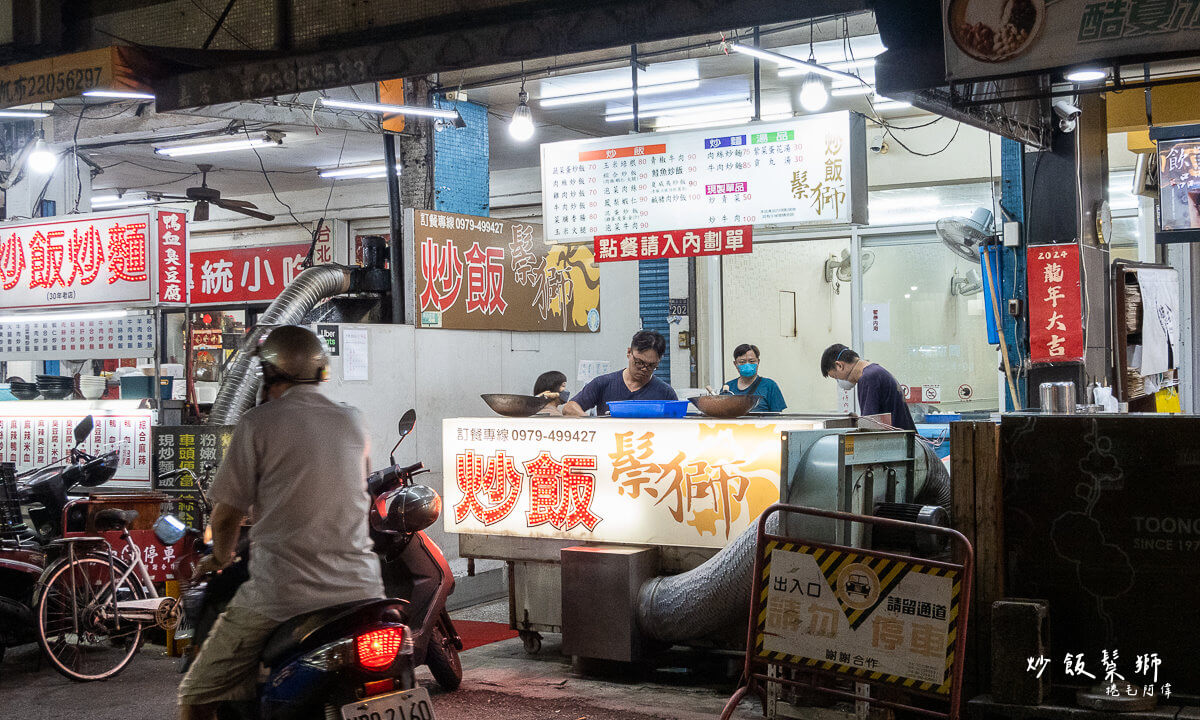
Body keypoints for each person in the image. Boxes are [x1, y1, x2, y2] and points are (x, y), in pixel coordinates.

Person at [178, 326, 384, 720]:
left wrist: (219, 558)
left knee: (196, 695)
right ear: (320, 371)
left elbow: (226, 514)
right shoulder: (353, 421)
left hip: (285, 594)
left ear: (270, 374)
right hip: (363, 589)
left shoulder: (259, 423)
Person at [563, 330, 677, 416]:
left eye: (651, 365)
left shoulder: (665, 393)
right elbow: (569, 408)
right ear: (629, 353)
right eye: (639, 362)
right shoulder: (603, 383)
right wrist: (593, 424)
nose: (644, 369)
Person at [820, 343, 916, 431]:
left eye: (835, 377)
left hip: (900, 445)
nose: (839, 381)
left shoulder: (868, 378)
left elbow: (869, 428)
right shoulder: (874, 371)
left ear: (839, 365)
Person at [723, 343, 787, 412]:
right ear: (735, 364)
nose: (747, 365)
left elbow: (778, 417)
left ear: (758, 362)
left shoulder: (769, 386)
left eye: (751, 361)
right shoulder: (728, 387)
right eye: (742, 362)